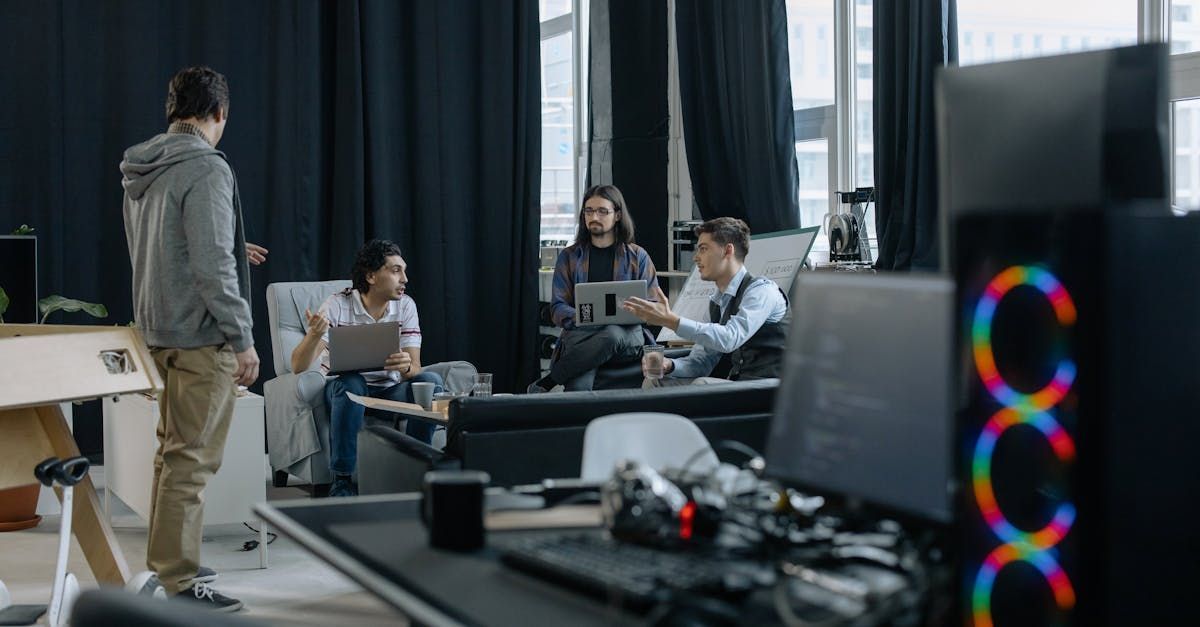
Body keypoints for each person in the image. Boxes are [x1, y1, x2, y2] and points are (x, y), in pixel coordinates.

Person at [121, 66, 260, 611]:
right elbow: (210, 265)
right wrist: (242, 337)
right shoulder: (206, 167)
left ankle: (166, 567)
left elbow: (161, 248)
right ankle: (180, 583)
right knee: (192, 462)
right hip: (203, 337)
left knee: (170, 456)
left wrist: (226, 249)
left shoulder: (143, 166)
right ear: (219, 113)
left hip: (156, 329)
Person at [289, 239, 444, 497]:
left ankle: (417, 471)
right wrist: (314, 336)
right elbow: (297, 366)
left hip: (390, 389)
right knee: (351, 382)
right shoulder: (337, 304)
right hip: (346, 390)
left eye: (404, 270)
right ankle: (342, 480)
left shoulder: (406, 306)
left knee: (431, 381)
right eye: (395, 271)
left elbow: (415, 367)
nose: (404, 278)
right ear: (371, 276)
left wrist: (407, 367)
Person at [623, 217, 788, 384]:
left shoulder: (762, 291)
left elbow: (730, 338)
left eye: (703, 249)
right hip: (740, 384)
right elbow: (701, 362)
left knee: (702, 384)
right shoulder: (717, 304)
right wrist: (670, 365)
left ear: (727, 251)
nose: (696, 258)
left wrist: (672, 321)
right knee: (655, 380)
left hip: (771, 388)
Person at [527, 185, 658, 392]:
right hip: (583, 333)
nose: (594, 216)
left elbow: (654, 306)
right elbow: (558, 308)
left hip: (628, 336)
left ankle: (550, 381)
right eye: (589, 211)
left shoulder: (637, 256)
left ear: (617, 215)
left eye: (602, 211)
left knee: (613, 333)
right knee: (579, 390)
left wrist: (632, 312)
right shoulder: (569, 257)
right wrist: (583, 317)